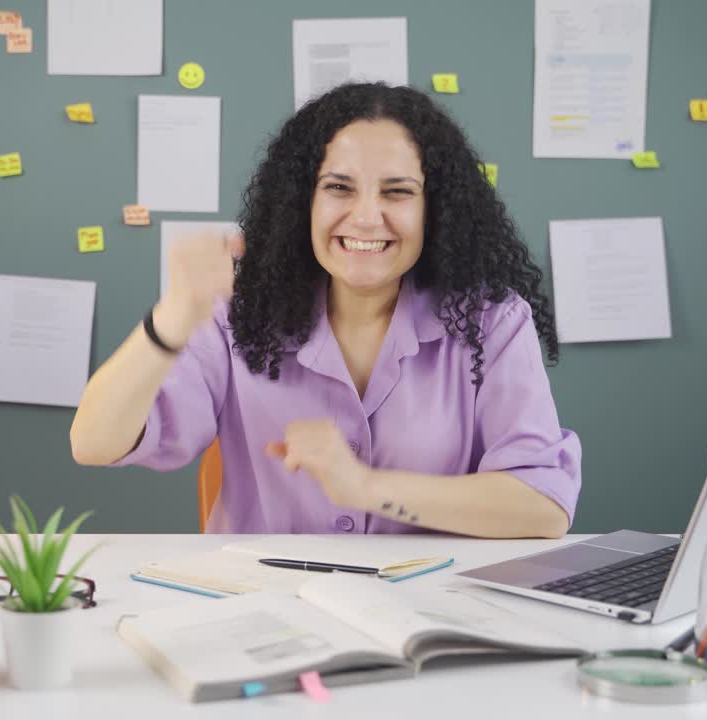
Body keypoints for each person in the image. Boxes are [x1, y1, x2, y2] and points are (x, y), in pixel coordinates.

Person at [70, 82, 580, 538]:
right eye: (339, 187)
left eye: (398, 192)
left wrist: (364, 486)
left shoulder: (491, 321)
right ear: (303, 202)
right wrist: (174, 316)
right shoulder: (236, 313)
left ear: (434, 210)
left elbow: (544, 508)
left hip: (426, 600)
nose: (366, 217)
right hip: (260, 601)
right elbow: (94, 443)